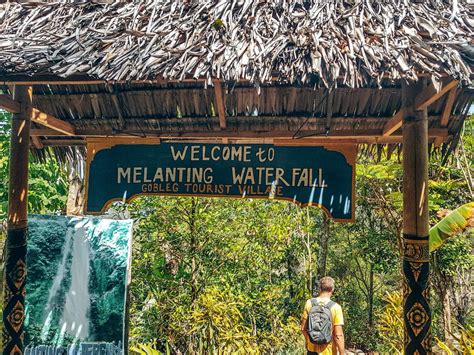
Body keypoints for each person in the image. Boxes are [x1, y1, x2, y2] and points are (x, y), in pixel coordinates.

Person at [301, 276, 345, 355]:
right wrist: (342, 353)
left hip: (311, 350)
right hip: (329, 351)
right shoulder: (336, 307)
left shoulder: (309, 303)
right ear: (332, 290)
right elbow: (338, 335)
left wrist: (309, 340)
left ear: (320, 289)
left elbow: (303, 328)